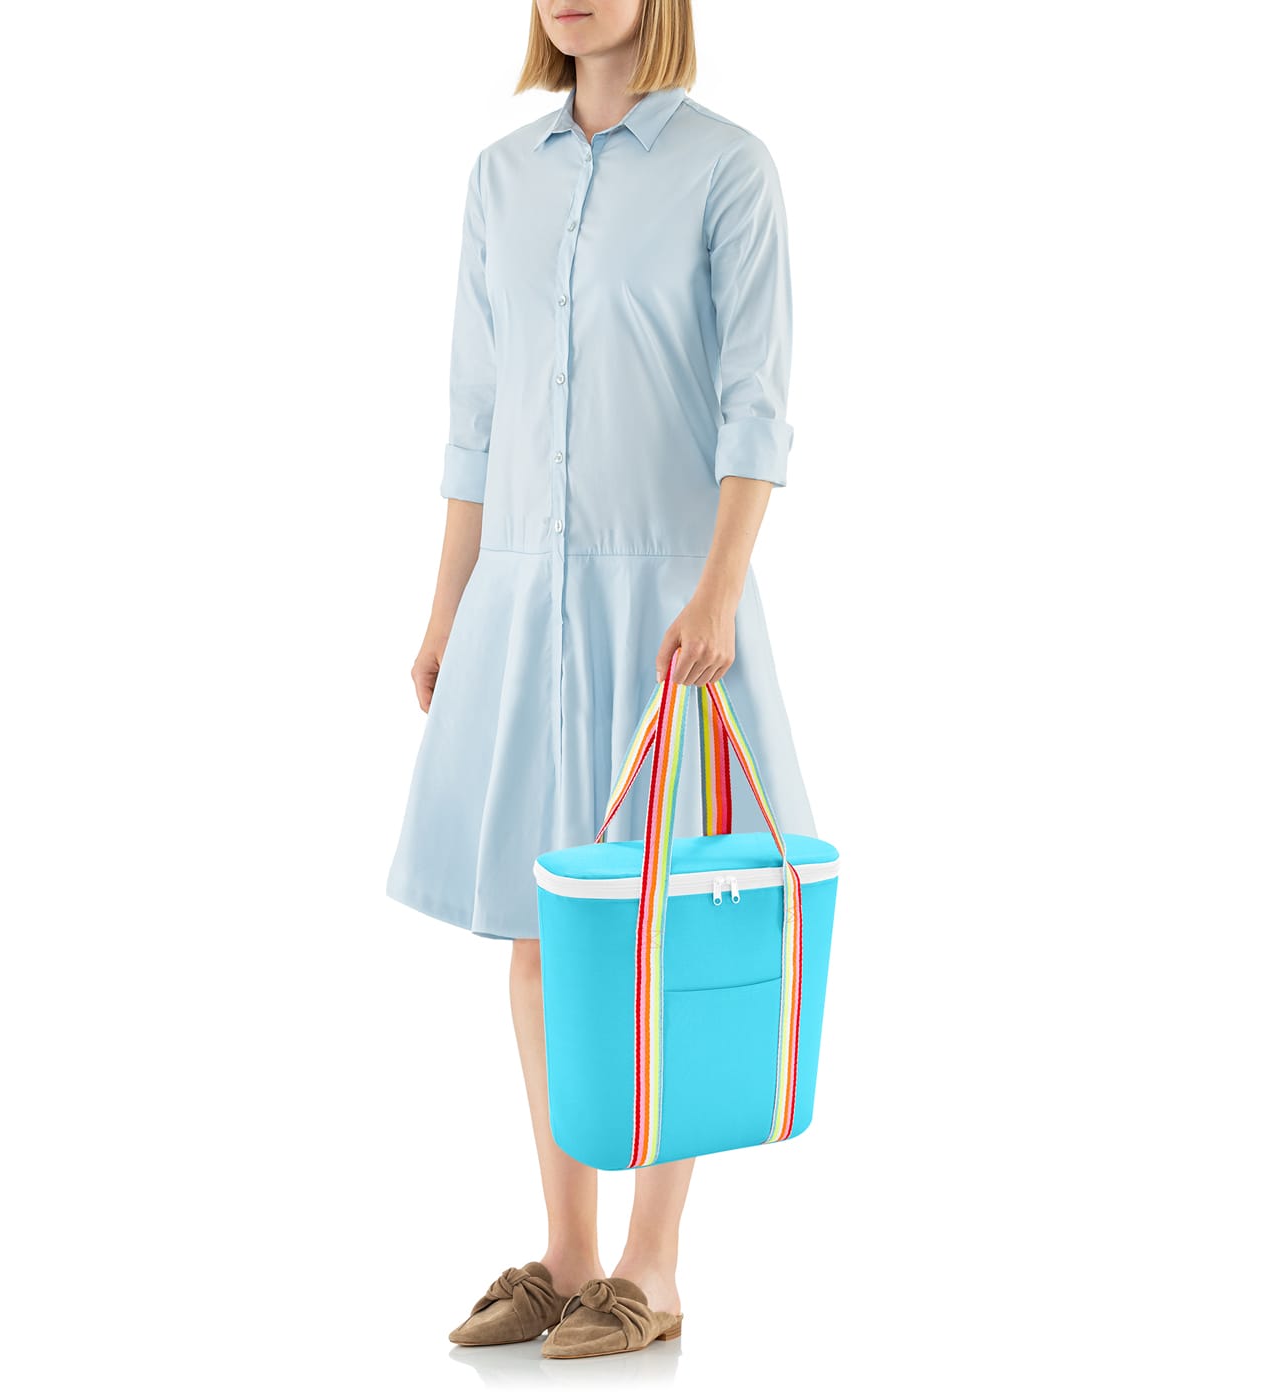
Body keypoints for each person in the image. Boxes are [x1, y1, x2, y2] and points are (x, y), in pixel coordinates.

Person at [386, 0, 816, 1360]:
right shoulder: (498, 179)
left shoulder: (728, 168)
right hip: (522, 600)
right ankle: (568, 1255)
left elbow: (755, 405)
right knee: (542, 927)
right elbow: (476, 413)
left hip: (668, 610)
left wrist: (719, 591)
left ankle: (653, 1265)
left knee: (663, 926)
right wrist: (449, 605)